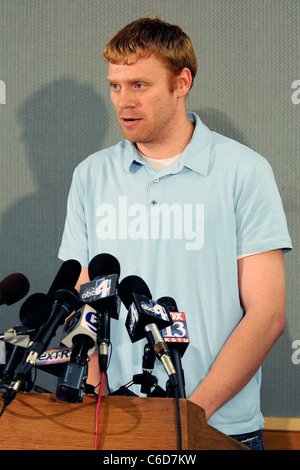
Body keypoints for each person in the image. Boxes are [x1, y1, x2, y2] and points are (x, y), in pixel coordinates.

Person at [58, 17, 292, 450]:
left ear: (181, 82)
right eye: (115, 86)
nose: (123, 101)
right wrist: (98, 401)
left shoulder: (244, 171)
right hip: (117, 429)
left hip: (218, 430)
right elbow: (83, 301)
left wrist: (189, 418)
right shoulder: (90, 175)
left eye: (139, 85)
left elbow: (267, 315)